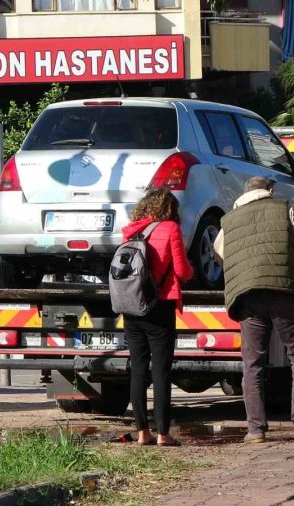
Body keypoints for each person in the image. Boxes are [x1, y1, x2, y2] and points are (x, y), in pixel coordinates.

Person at [213, 176, 294, 444]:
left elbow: (218, 250)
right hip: (285, 291)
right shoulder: (285, 208)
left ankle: (256, 430)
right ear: (270, 191)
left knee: (252, 364)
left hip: (248, 296)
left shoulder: (229, 219)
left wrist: (245, 269)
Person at [120, 188, 194, 446]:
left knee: (138, 369)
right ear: (169, 208)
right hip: (159, 306)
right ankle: (163, 433)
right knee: (161, 371)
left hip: (131, 306)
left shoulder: (131, 230)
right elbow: (183, 271)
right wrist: (190, 271)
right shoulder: (170, 229)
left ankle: (142, 433)